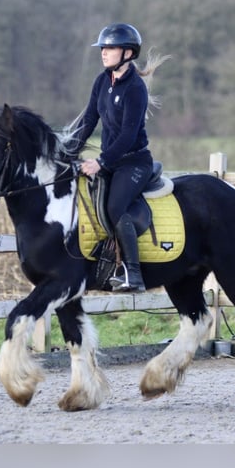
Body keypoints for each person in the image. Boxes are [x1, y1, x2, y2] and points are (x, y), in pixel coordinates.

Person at [73, 23, 168, 292]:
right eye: (102, 48)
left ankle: (134, 275)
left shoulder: (136, 88)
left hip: (134, 162)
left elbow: (127, 136)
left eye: (110, 48)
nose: (103, 52)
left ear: (127, 53)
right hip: (112, 160)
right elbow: (89, 120)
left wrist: (100, 162)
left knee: (116, 207)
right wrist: (69, 151)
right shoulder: (102, 81)